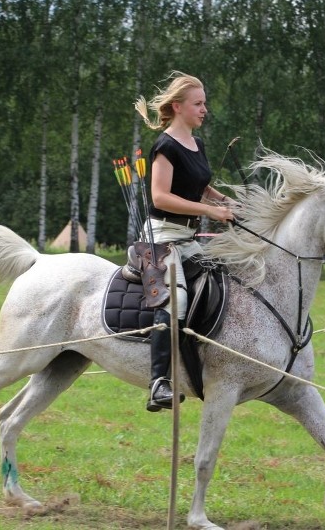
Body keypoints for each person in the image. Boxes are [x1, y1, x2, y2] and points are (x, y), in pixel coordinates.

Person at [134, 72, 234, 412]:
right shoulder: (165, 146)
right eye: (198, 103)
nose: (205, 109)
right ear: (177, 107)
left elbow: (199, 184)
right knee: (172, 298)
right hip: (161, 238)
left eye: (205, 103)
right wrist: (211, 210)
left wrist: (225, 200)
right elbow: (160, 197)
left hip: (187, 238)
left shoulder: (196, 143)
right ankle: (158, 382)